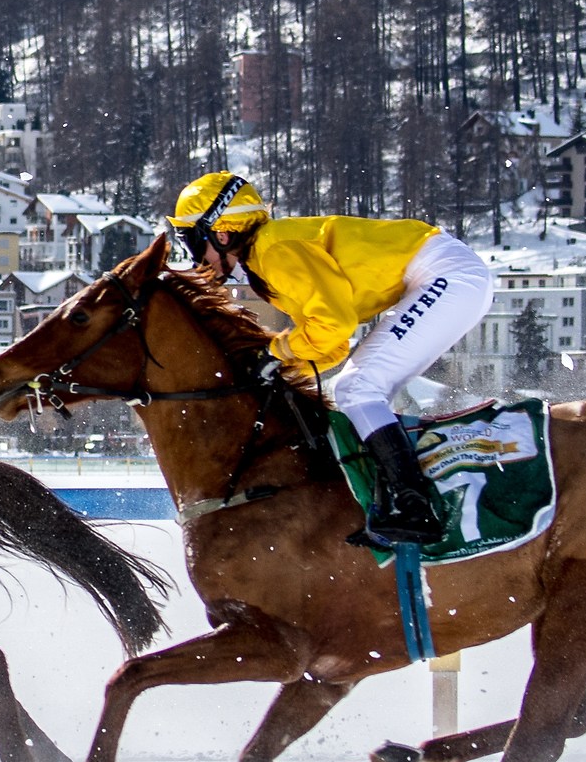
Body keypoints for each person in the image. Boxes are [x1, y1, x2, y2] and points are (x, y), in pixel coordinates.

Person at [165, 172, 494, 546]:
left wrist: (276, 352)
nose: (195, 258)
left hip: (446, 275)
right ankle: (395, 499)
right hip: (446, 277)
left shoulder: (274, 251)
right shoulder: (265, 260)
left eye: (192, 242)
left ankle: (413, 504)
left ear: (221, 232)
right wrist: (282, 367)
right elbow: (332, 346)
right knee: (351, 389)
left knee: (359, 388)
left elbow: (333, 324)